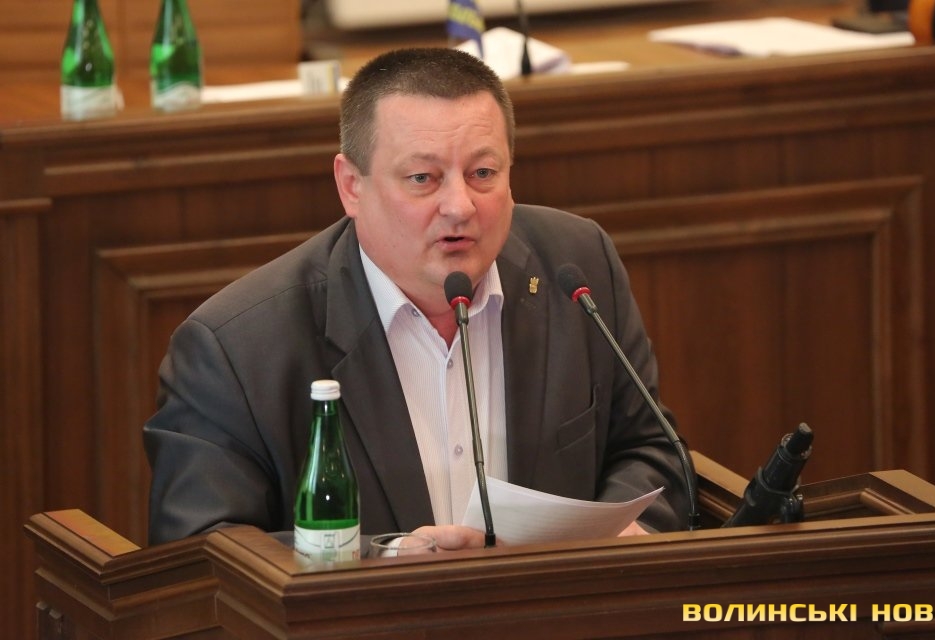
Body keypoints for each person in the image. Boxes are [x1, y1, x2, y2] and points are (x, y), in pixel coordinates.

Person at [144, 47, 690, 550]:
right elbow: (200, 551)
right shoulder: (235, 349)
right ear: (351, 186)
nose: (460, 206)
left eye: (482, 173)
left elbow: (650, 448)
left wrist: (624, 532)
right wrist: (382, 562)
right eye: (423, 178)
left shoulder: (577, 268)